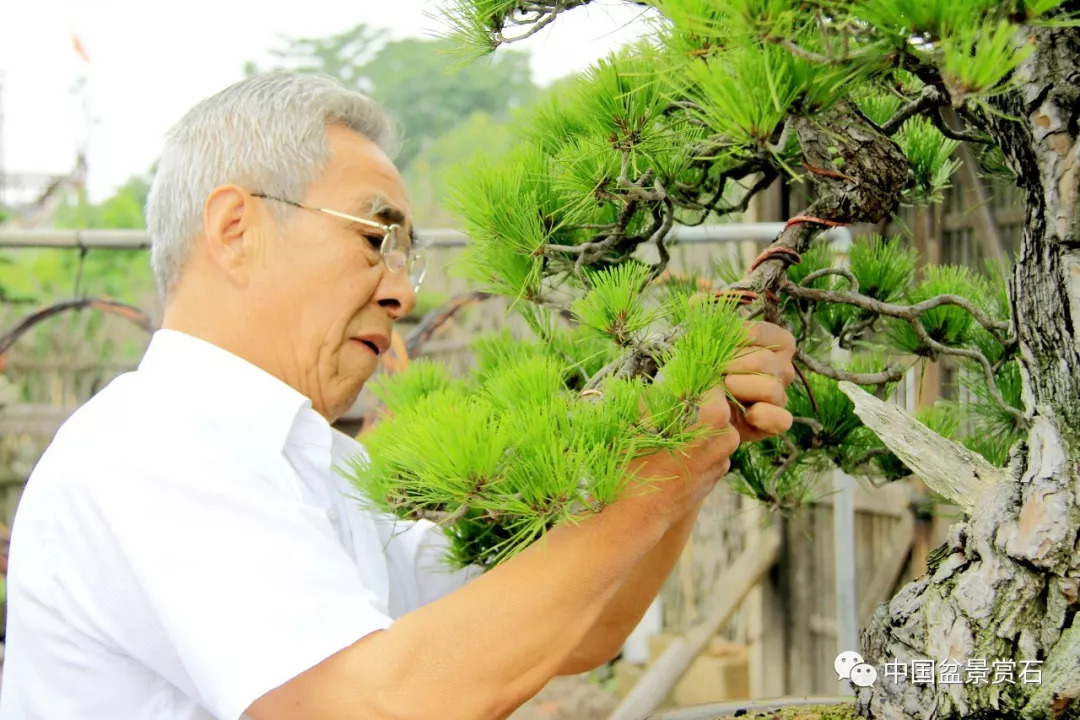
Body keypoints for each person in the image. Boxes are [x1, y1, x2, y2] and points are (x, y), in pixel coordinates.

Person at [0, 72, 795, 720]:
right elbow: (378, 706)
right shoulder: (151, 447)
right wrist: (661, 480)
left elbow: (576, 630)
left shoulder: (321, 468)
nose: (400, 294)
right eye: (375, 238)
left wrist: (691, 444)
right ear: (236, 228)